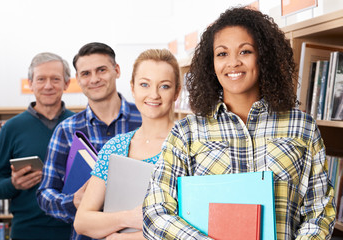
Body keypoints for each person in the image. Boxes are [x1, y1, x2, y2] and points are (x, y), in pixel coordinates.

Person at [142, 7, 336, 240]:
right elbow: (155, 212)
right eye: (222, 54)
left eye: (245, 51)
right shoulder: (187, 132)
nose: (233, 63)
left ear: (263, 56)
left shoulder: (301, 126)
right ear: (210, 63)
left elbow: (320, 212)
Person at [36, 42, 142, 240]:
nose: (94, 79)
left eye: (101, 70)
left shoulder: (145, 119)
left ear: (116, 70)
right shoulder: (66, 130)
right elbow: (45, 194)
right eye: (86, 73)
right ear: (78, 79)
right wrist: (72, 202)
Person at [73, 48, 181, 239]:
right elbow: (82, 222)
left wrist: (119, 237)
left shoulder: (187, 144)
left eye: (164, 86)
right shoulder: (116, 147)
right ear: (132, 88)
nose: (154, 94)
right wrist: (129, 218)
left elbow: (189, 225)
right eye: (144, 84)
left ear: (177, 92)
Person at [0, 52, 74, 240]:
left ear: (66, 83)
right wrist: (14, 183)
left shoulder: (79, 125)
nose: (48, 86)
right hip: (26, 232)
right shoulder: (11, 128)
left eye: (55, 79)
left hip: (73, 231)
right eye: (41, 79)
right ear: (30, 83)